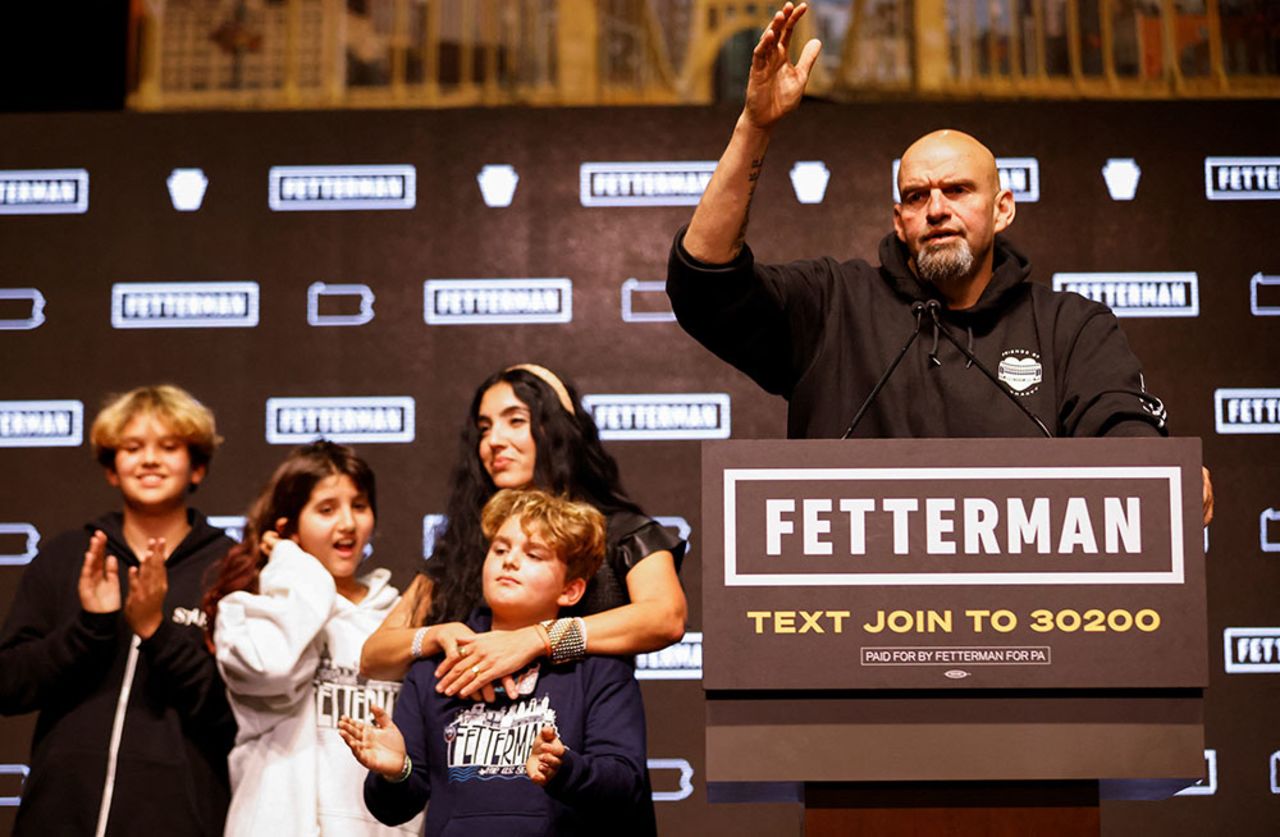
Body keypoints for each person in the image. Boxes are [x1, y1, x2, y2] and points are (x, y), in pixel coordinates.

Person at [665, 3, 1214, 522]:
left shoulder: (1070, 326)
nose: (936, 210)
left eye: (957, 190)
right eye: (916, 196)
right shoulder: (834, 304)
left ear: (1001, 211)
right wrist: (755, 127)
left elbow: (1121, 423)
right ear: (899, 219)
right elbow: (705, 282)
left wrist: (1159, 471)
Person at [359, 364, 687, 697]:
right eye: (484, 428)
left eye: (515, 421)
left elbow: (666, 617)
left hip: (579, 738)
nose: (493, 441)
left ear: (558, 430)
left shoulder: (623, 531)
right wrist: (433, 637)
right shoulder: (466, 541)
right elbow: (373, 656)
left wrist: (537, 639)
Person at [340, 488, 649, 836]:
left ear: (570, 590)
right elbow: (395, 809)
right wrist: (396, 771)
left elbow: (627, 786)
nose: (510, 561)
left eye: (533, 554)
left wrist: (565, 769)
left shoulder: (598, 669)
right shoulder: (435, 669)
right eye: (500, 549)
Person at [0, 384, 236, 836]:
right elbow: (9, 686)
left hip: (181, 820)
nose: (150, 460)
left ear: (198, 468)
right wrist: (89, 626)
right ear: (112, 468)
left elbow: (237, 712)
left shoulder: (229, 568)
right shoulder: (67, 556)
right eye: (132, 447)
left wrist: (155, 630)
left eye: (169, 447)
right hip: (58, 817)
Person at [203, 441, 422, 837]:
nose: (347, 524)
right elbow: (273, 668)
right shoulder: (248, 612)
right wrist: (295, 570)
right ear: (288, 528)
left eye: (358, 505)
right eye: (326, 509)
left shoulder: (399, 617)